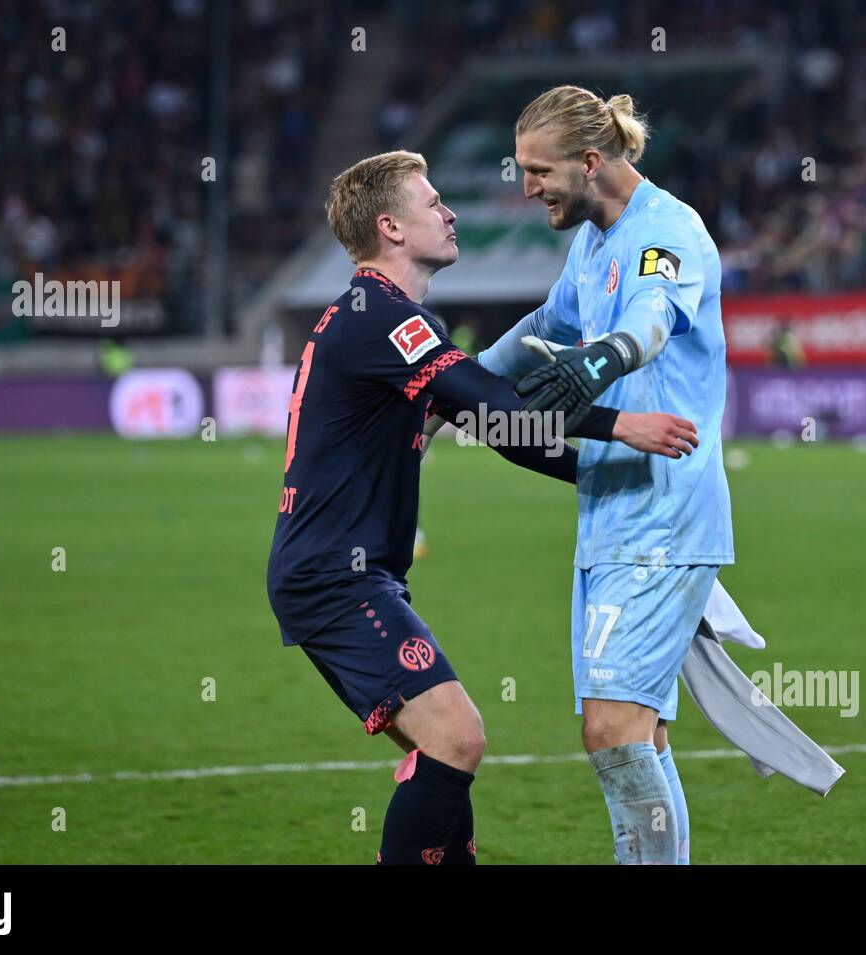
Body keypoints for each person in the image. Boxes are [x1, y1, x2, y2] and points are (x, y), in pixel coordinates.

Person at [266, 149, 699, 864]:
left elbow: (500, 429)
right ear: (391, 228)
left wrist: (599, 475)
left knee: (445, 754)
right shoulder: (382, 315)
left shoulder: (381, 317)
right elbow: (494, 399)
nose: (450, 210)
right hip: (333, 579)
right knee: (457, 735)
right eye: (433, 202)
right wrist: (617, 424)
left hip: (343, 574)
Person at [479, 86, 734, 864]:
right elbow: (542, 329)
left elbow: (651, 318)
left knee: (612, 730)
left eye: (537, 171)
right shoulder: (591, 242)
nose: (527, 188)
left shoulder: (669, 230)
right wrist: (450, 388)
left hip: (663, 519)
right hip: (609, 514)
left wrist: (604, 359)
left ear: (591, 162)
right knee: (638, 732)